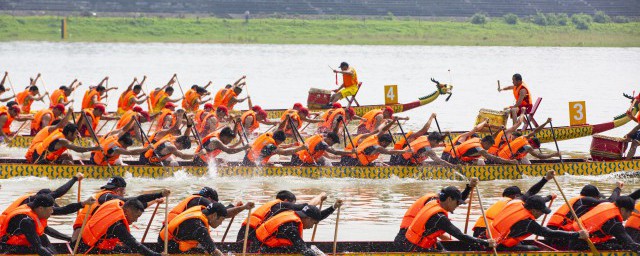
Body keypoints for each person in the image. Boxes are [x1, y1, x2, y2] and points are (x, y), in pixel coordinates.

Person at [71, 176, 168, 241]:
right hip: (81, 240)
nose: (124, 194)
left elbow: (135, 208)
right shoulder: (107, 197)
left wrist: (154, 201)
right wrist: (159, 194)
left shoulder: (103, 196)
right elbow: (134, 200)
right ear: (118, 190)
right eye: (123, 191)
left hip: (83, 236)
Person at [472, 170, 557, 238]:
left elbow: (534, 200)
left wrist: (549, 197)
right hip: (487, 233)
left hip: (479, 232)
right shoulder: (514, 203)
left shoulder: (504, 201)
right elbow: (531, 194)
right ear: (515, 196)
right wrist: (546, 180)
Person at [395, 178, 477, 245]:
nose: (456, 205)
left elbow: (456, 200)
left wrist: (469, 188)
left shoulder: (439, 202)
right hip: (406, 237)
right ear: (448, 199)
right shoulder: (434, 210)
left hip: (415, 235)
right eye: (456, 203)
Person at [489, 195, 588, 251]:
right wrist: (577, 235)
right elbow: (549, 233)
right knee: (536, 249)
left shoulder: (517, 204)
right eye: (542, 211)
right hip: (498, 247)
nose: (542, 214)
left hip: (491, 239)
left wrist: (549, 197)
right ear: (533, 210)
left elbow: (532, 195)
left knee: (522, 242)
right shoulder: (527, 223)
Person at [547, 183, 623, 247]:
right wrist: (618, 188)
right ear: (592, 197)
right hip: (559, 237)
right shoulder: (585, 200)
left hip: (551, 235)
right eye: (597, 197)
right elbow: (610, 202)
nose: (598, 199)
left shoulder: (578, 201)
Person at [77, 199, 161, 256]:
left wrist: (154, 200)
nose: (136, 220)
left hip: (82, 241)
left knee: (126, 248)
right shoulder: (117, 225)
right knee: (132, 248)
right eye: (136, 216)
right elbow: (134, 244)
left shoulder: (114, 204)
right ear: (127, 211)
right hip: (89, 250)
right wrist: (156, 255)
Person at [256, 201, 342, 255]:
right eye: (314, 223)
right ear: (308, 218)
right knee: (305, 250)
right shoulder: (290, 227)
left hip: (266, 247)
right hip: (261, 251)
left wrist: (333, 207)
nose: (312, 227)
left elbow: (318, 217)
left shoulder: (293, 214)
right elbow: (304, 250)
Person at [568, 196, 640, 251]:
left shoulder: (606, 205)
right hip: (578, 246)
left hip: (573, 239)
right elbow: (630, 244)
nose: (631, 215)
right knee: (620, 247)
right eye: (630, 212)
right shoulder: (614, 222)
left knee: (615, 241)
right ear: (623, 210)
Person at [159, 202, 231, 255]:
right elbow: (214, 252)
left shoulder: (200, 212)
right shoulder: (199, 227)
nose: (221, 223)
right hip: (167, 247)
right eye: (222, 219)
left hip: (169, 240)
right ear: (214, 215)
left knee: (205, 249)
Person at [342, 120, 411, 166]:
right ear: (384, 142)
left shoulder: (374, 137)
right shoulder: (377, 147)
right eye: (387, 144)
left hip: (348, 159)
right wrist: (405, 151)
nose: (386, 146)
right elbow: (389, 152)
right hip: (353, 163)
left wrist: (392, 121)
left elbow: (383, 130)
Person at [167, 187, 252, 223]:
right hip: (173, 233)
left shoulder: (195, 199)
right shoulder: (202, 200)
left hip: (170, 231)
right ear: (209, 198)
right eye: (214, 202)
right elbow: (224, 213)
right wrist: (237, 205)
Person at [33, 124, 101, 164]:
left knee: (68, 156)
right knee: (68, 162)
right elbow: (77, 149)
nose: (76, 136)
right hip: (39, 161)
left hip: (39, 155)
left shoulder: (62, 133)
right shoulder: (63, 141)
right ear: (69, 133)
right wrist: (95, 148)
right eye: (75, 134)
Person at [389, 131, 455, 167]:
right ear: (434, 140)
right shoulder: (428, 149)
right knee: (425, 165)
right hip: (403, 162)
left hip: (396, 157)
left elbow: (426, 146)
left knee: (424, 163)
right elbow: (439, 161)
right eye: (437, 142)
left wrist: (445, 135)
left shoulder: (424, 137)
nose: (437, 144)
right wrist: (453, 166)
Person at [290, 132, 355, 166]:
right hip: (299, 160)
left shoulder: (320, 137)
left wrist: (332, 157)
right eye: (333, 143)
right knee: (325, 162)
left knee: (324, 160)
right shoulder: (322, 143)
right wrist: (350, 152)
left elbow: (319, 153)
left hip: (296, 157)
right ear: (329, 139)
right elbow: (334, 152)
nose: (332, 145)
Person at [444, 135, 517, 165]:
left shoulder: (478, 139)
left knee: (481, 161)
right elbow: (492, 157)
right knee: (483, 161)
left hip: (455, 157)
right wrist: (509, 161)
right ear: (486, 143)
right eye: (490, 146)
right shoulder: (479, 148)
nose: (489, 148)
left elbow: (491, 136)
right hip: (454, 160)